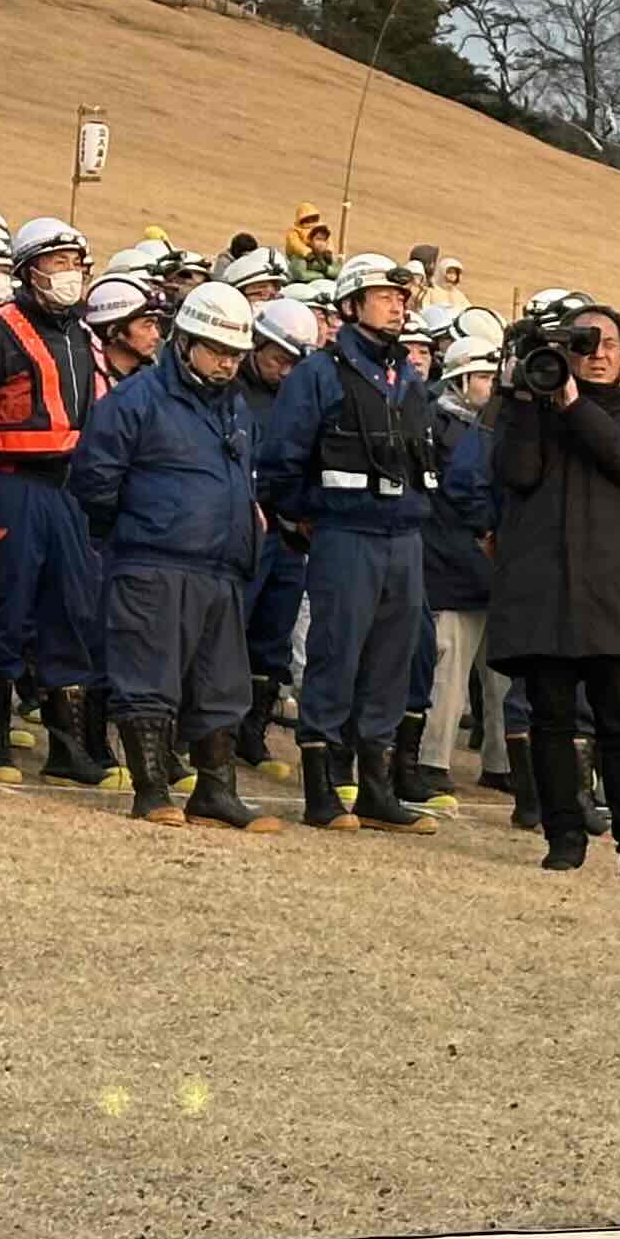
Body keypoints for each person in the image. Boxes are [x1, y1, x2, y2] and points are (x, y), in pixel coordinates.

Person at [69, 279, 273, 833]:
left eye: (236, 354)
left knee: (221, 683)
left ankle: (216, 790)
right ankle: (151, 789)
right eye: (218, 350)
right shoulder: (136, 400)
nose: (228, 363)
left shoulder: (236, 410)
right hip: (153, 563)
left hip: (221, 569)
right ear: (185, 342)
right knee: (146, 677)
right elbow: (93, 480)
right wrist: (140, 530)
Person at [485, 298, 620, 883]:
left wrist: (571, 406)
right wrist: (522, 395)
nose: (599, 356)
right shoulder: (529, 408)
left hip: (607, 588)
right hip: (542, 588)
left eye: (611, 346)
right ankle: (562, 833)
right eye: (586, 344)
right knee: (550, 719)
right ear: (564, 349)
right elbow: (515, 473)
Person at [264, 252, 443, 833]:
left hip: (405, 537)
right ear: (350, 303)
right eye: (386, 295)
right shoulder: (320, 373)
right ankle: (321, 788)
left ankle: (376, 789)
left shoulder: (409, 377)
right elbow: (282, 461)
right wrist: (304, 519)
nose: (398, 304)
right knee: (335, 655)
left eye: (402, 296)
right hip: (345, 533)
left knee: (393, 660)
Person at [0, 220, 112, 785]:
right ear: (27, 271)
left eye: (76, 261)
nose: (69, 273)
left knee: (70, 613)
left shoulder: (84, 336)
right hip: (8, 485)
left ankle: (66, 750)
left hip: (68, 492)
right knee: (2, 611)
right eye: (58, 262)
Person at [238, 295, 321, 777]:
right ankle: (209, 731)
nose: (285, 371)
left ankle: (253, 732)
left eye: (294, 363)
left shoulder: (303, 397)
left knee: (273, 637)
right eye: (278, 360)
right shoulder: (232, 393)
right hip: (248, 526)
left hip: (291, 533)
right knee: (232, 627)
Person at [419, 327, 505, 790]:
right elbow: (459, 495)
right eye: (483, 377)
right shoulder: (437, 427)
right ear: (460, 378)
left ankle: (503, 763)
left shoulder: (495, 427)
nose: (491, 386)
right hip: (452, 565)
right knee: (448, 674)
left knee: (502, 678)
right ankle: (433, 760)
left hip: (493, 570)